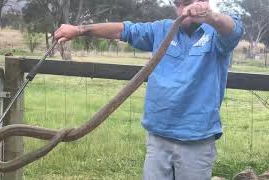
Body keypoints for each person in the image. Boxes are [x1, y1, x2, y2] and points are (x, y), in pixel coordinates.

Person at [54, 0, 243, 179]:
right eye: (177, 4)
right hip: (158, 136)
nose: (181, 11)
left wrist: (210, 16)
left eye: (186, 3)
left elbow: (234, 30)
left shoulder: (217, 35)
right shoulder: (161, 29)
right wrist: (79, 30)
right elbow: (125, 30)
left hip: (196, 141)